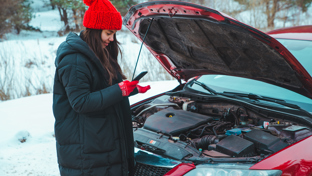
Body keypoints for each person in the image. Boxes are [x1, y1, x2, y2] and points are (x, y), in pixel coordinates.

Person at [52, 0, 151, 175]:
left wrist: (132, 89)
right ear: (95, 29)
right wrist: (120, 90)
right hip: (86, 153)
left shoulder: (98, 53)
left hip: (100, 145)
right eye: (109, 33)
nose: (112, 39)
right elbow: (81, 102)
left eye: (114, 34)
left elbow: (105, 89)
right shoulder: (74, 61)